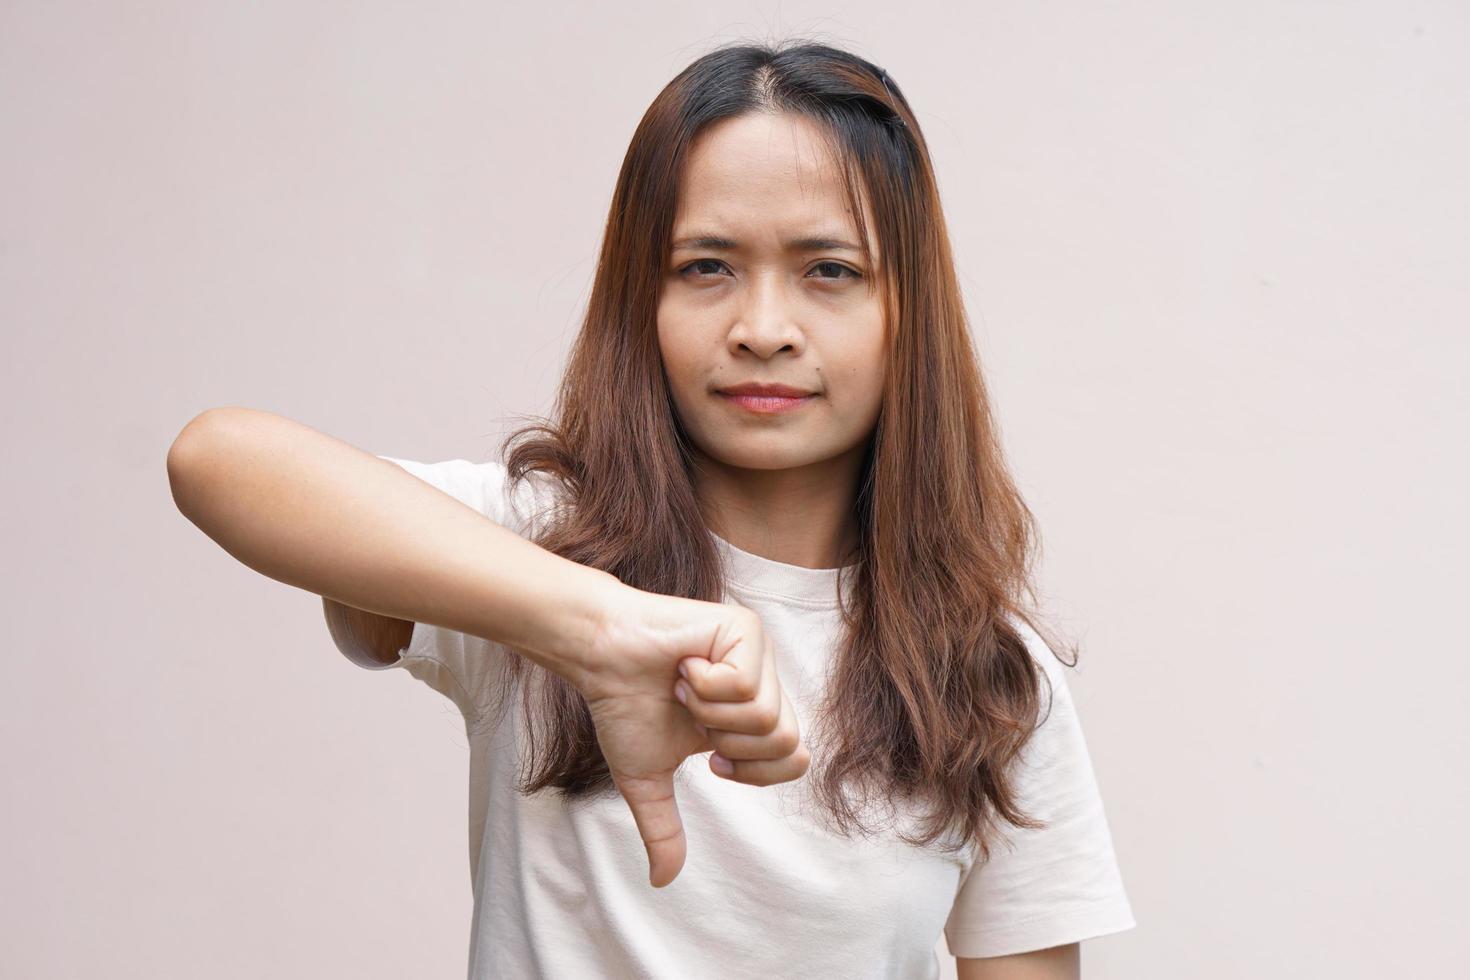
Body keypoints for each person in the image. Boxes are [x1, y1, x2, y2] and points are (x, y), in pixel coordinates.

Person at [167, 39, 1135, 980]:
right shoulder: (538, 549)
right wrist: (595, 625)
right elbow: (217, 459)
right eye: (705, 266)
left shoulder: (998, 677)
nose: (761, 329)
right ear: (644, 302)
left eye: (828, 270)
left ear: (906, 311)